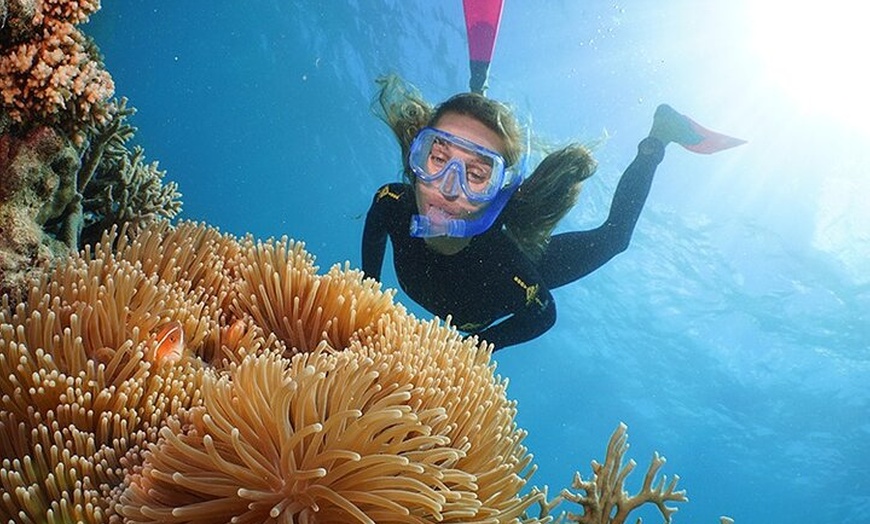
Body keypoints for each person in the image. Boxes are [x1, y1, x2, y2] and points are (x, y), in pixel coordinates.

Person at [362, 75, 744, 351]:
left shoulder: (511, 270)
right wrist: (366, 295)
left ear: (498, 194)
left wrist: (468, 349)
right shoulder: (392, 204)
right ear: (416, 159)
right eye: (438, 157)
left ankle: (658, 137)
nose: (448, 186)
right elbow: (374, 239)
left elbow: (543, 316)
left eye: (477, 175)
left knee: (615, 238)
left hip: (531, 256)